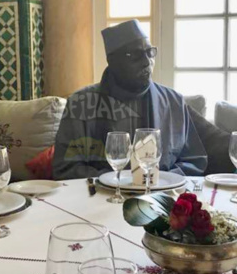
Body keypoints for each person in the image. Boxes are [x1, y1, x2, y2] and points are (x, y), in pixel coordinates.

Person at [53, 20, 208, 180]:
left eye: (150, 52)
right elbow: (66, 168)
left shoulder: (173, 102)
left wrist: (161, 179)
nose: (147, 62)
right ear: (112, 61)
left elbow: (194, 161)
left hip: (162, 196)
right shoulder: (81, 104)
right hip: (100, 197)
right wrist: (118, 181)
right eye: (135, 55)